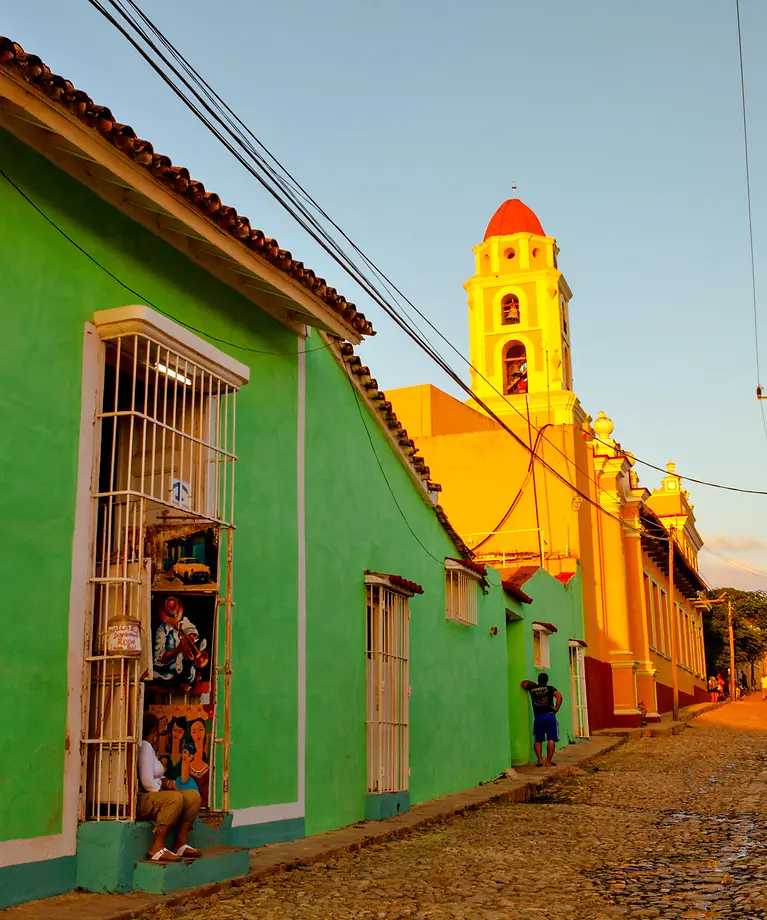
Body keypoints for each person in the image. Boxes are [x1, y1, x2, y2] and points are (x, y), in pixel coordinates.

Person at [138, 713, 202, 862]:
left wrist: (167, 782)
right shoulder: (145, 746)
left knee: (193, 797)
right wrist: (163, 792)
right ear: (152, 731)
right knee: (175, 798)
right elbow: (147, 781)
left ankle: (180, 843)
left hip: (155, 793)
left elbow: (156, 774)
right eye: (157, 732)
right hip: (144, 798)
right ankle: (156, 847)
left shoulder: (151, 750)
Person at [520, 673, 563, 768]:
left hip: (538, 717)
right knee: (551, 739)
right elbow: (559, 696)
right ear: (546, 680)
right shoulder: (550, 688)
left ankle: (539, 760)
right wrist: (556, 708)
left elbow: (523, 683)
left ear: (538, 680)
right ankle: (548, 762)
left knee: (538, 739)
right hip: (550, 715)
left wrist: (534, 684)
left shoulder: (532, 688)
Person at [188, 717, 210, 808]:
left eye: (200, 730)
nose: (198, 734)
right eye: (194, 731)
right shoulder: (186, 763)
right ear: (191, 735)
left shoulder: (209, 764)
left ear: (205, 731)